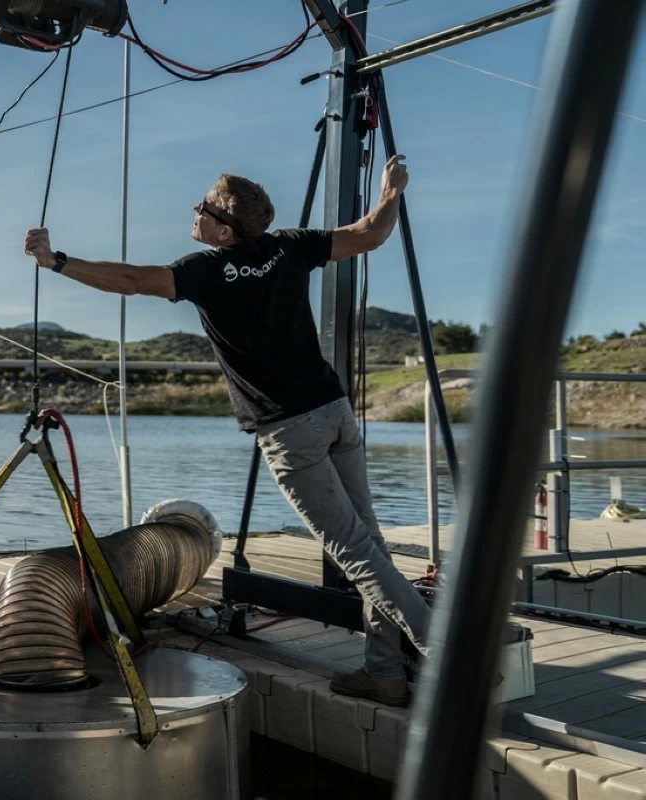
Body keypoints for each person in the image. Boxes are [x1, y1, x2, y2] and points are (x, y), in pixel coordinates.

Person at [23, 155, 429, 707]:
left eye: (204, 206)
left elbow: (130, 280)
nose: (195, 210)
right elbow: (370, 233)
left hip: (291, 431)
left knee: (354, 552)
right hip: (334, 412)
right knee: (371, 545)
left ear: (223, 229)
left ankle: (451, 655)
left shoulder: (205, 270)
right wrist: (391, 191)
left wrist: (56, 261)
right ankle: (384, 670)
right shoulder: (288, 246)